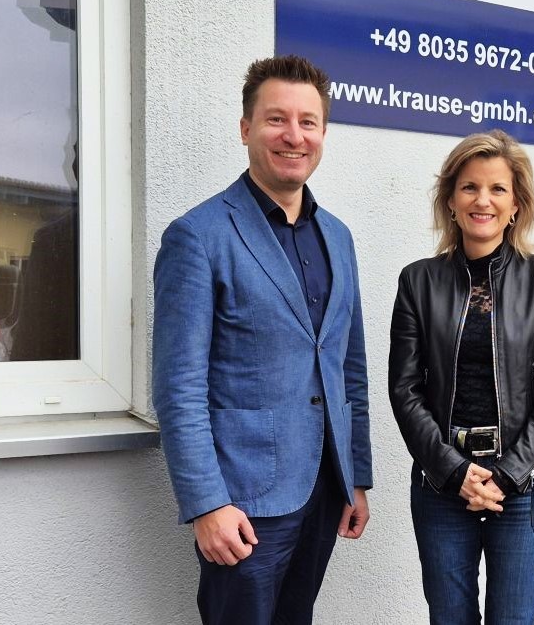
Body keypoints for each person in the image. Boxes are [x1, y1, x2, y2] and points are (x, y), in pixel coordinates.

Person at [152, 55, 373, 625]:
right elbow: (178, 387)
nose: (294, 135)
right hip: (243, 503)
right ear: (246, 128)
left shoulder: (338, 237)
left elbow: (349, 368)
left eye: (308, 122)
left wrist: (356, 477)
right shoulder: (197, 237)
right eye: (277, 119)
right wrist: (207, 504)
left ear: (323, 134)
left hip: (324, 489)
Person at [389, 129, 534, 625]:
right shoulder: (417, 281)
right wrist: (454, 472)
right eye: (470, 187)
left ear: (516, 204)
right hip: (441, 481)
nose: (483, 200)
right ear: (451, 200)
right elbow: (404, 389)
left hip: (524, 482)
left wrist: (508, 474)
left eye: (498, 189)